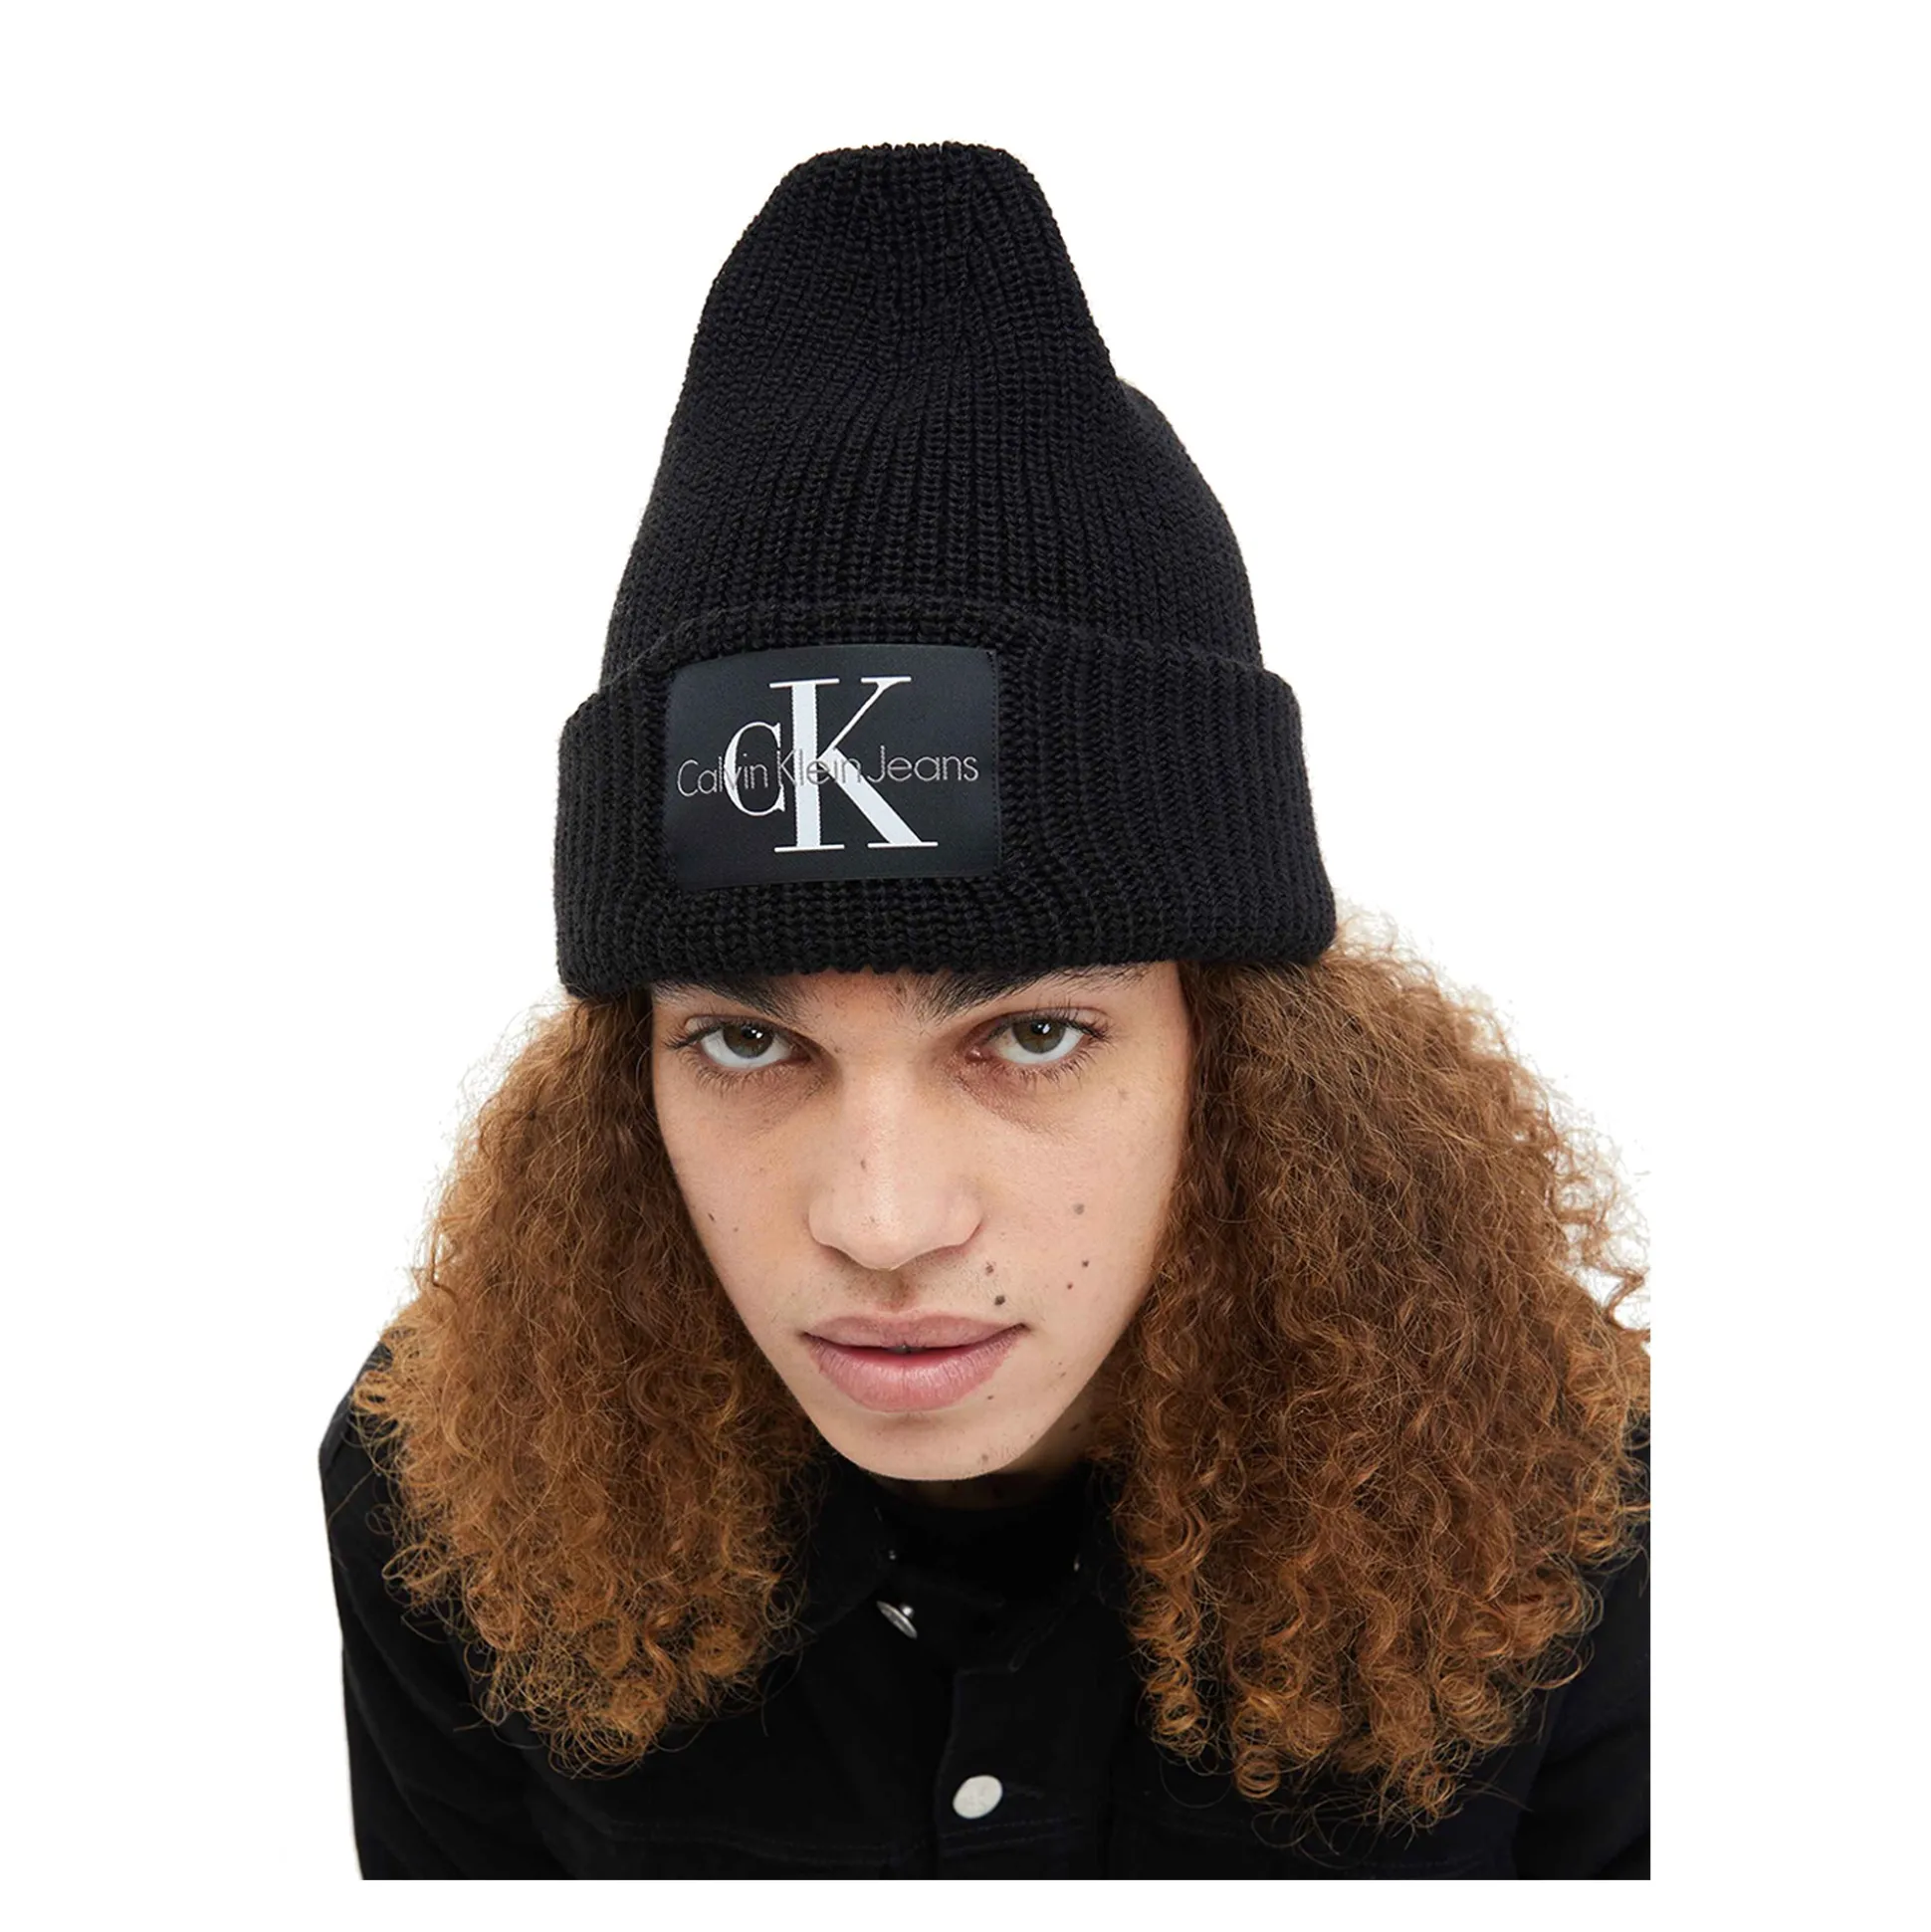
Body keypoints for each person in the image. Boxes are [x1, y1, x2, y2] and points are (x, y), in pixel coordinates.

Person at [319, 140, 1650, 1880]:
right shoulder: (451, 1490)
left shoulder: (1577, 1503)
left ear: (1242, 1063)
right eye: (748, 1041)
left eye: (1030, 1035)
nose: (881, 1222)